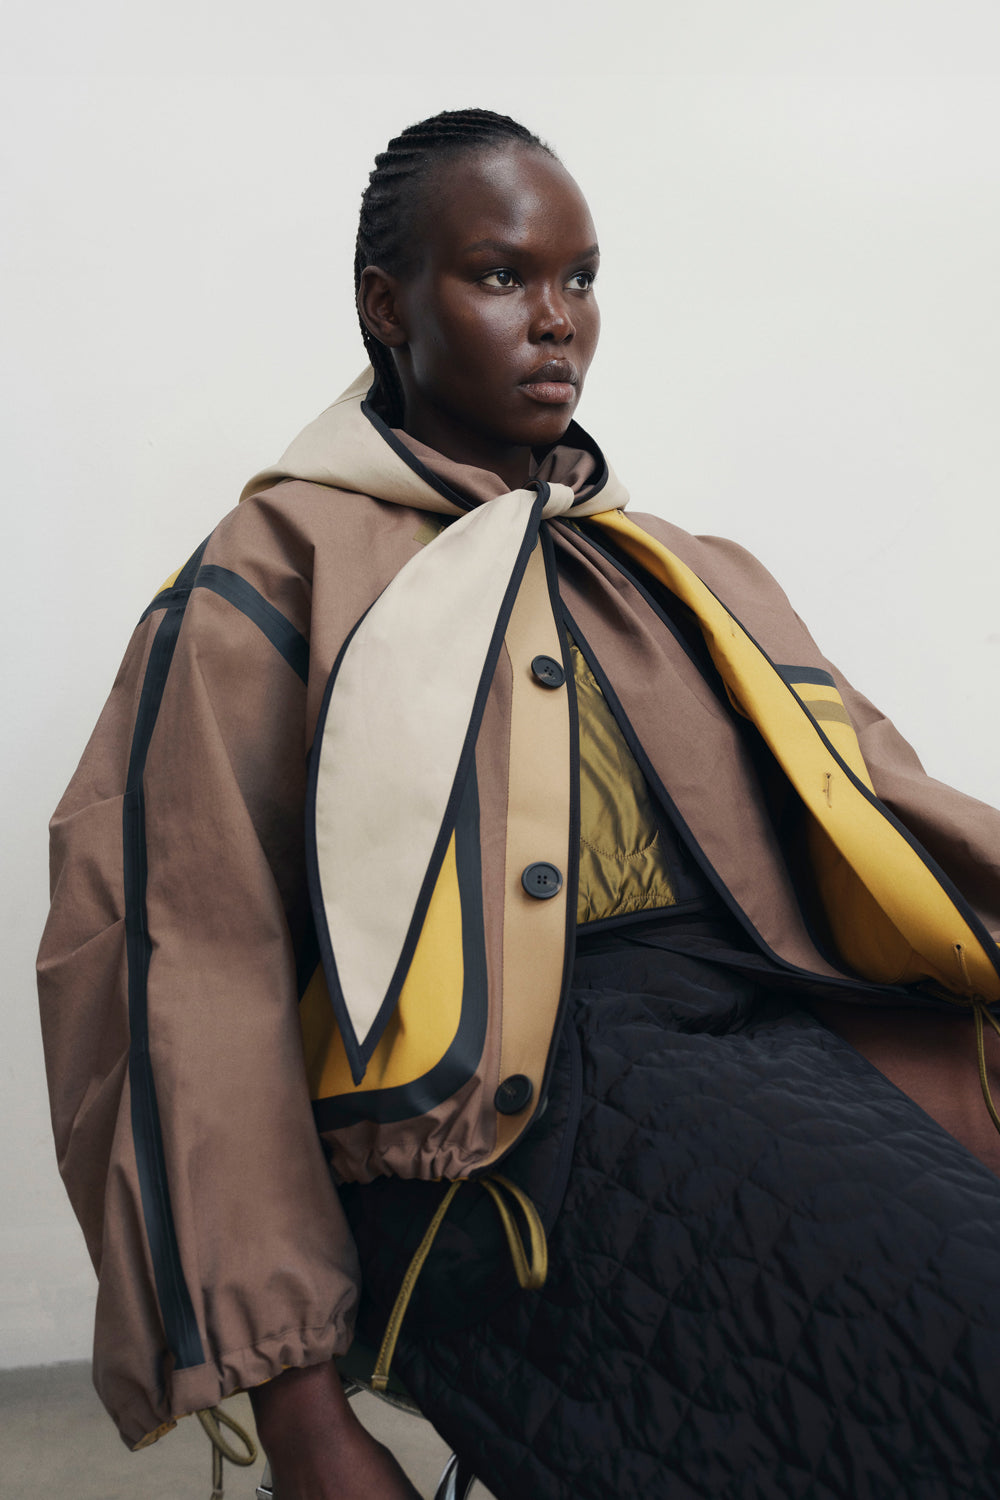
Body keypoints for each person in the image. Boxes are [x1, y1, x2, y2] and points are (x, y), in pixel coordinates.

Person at [37, 108, 1000, 1500]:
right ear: (387, 307)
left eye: (580, 278)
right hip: (518, 1111)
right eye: (502, 276)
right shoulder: (274, 576)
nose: (557, 320)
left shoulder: (672, 570)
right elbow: (182, 970)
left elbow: (891, 815)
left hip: (771, 1031)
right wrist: (304, 1418)